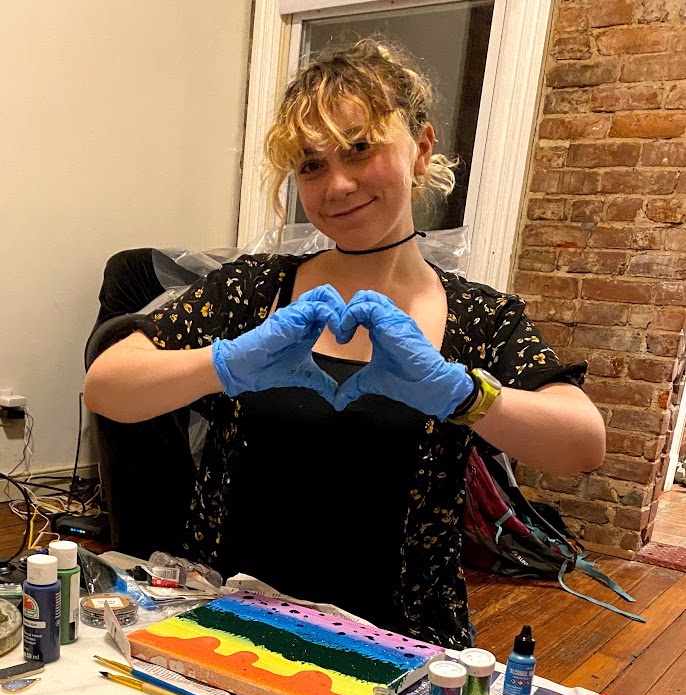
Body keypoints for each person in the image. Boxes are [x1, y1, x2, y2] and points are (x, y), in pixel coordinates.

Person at [84, 39, 605, 649]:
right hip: (228, 628)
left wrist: (463, 394)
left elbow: (582, 444)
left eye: (360, 148)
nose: (337, 184)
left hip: (398, 646)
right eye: (311, 165)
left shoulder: (481, 317)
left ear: (421, 148)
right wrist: (225, 364)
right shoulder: (256, 291)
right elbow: (107, 385)